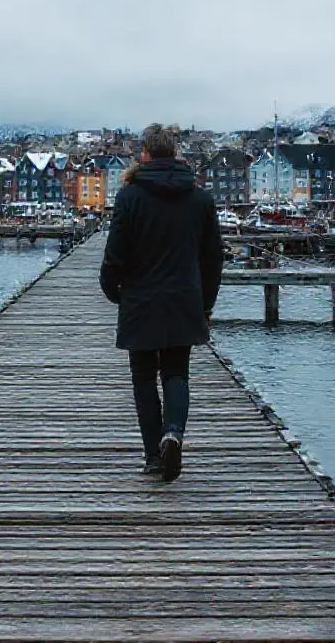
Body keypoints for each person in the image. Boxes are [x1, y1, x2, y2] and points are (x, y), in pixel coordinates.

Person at [99, 124, 224, 482]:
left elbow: (115, 255)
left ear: (145, 154)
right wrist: (206, 302)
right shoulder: (200, 198)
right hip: (184, 299)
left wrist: (114, 292)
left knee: (143, 379)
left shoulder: (129, 197)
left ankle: (154, 456)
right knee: (176, 372)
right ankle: (174, 433)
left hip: (140, 299)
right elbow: (213, 258)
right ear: (176, 154)